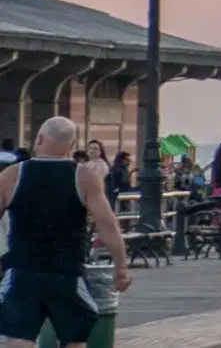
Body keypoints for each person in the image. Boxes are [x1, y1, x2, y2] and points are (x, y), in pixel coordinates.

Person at [0, 119, 130, 348]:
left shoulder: (12, 175)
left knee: (18, 337)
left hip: (22, 270)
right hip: (67, 272)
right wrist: (121, 268)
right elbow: (107, 226)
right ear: (71, 146)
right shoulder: (84, 177)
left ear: (38, 139)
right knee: (74, 339)